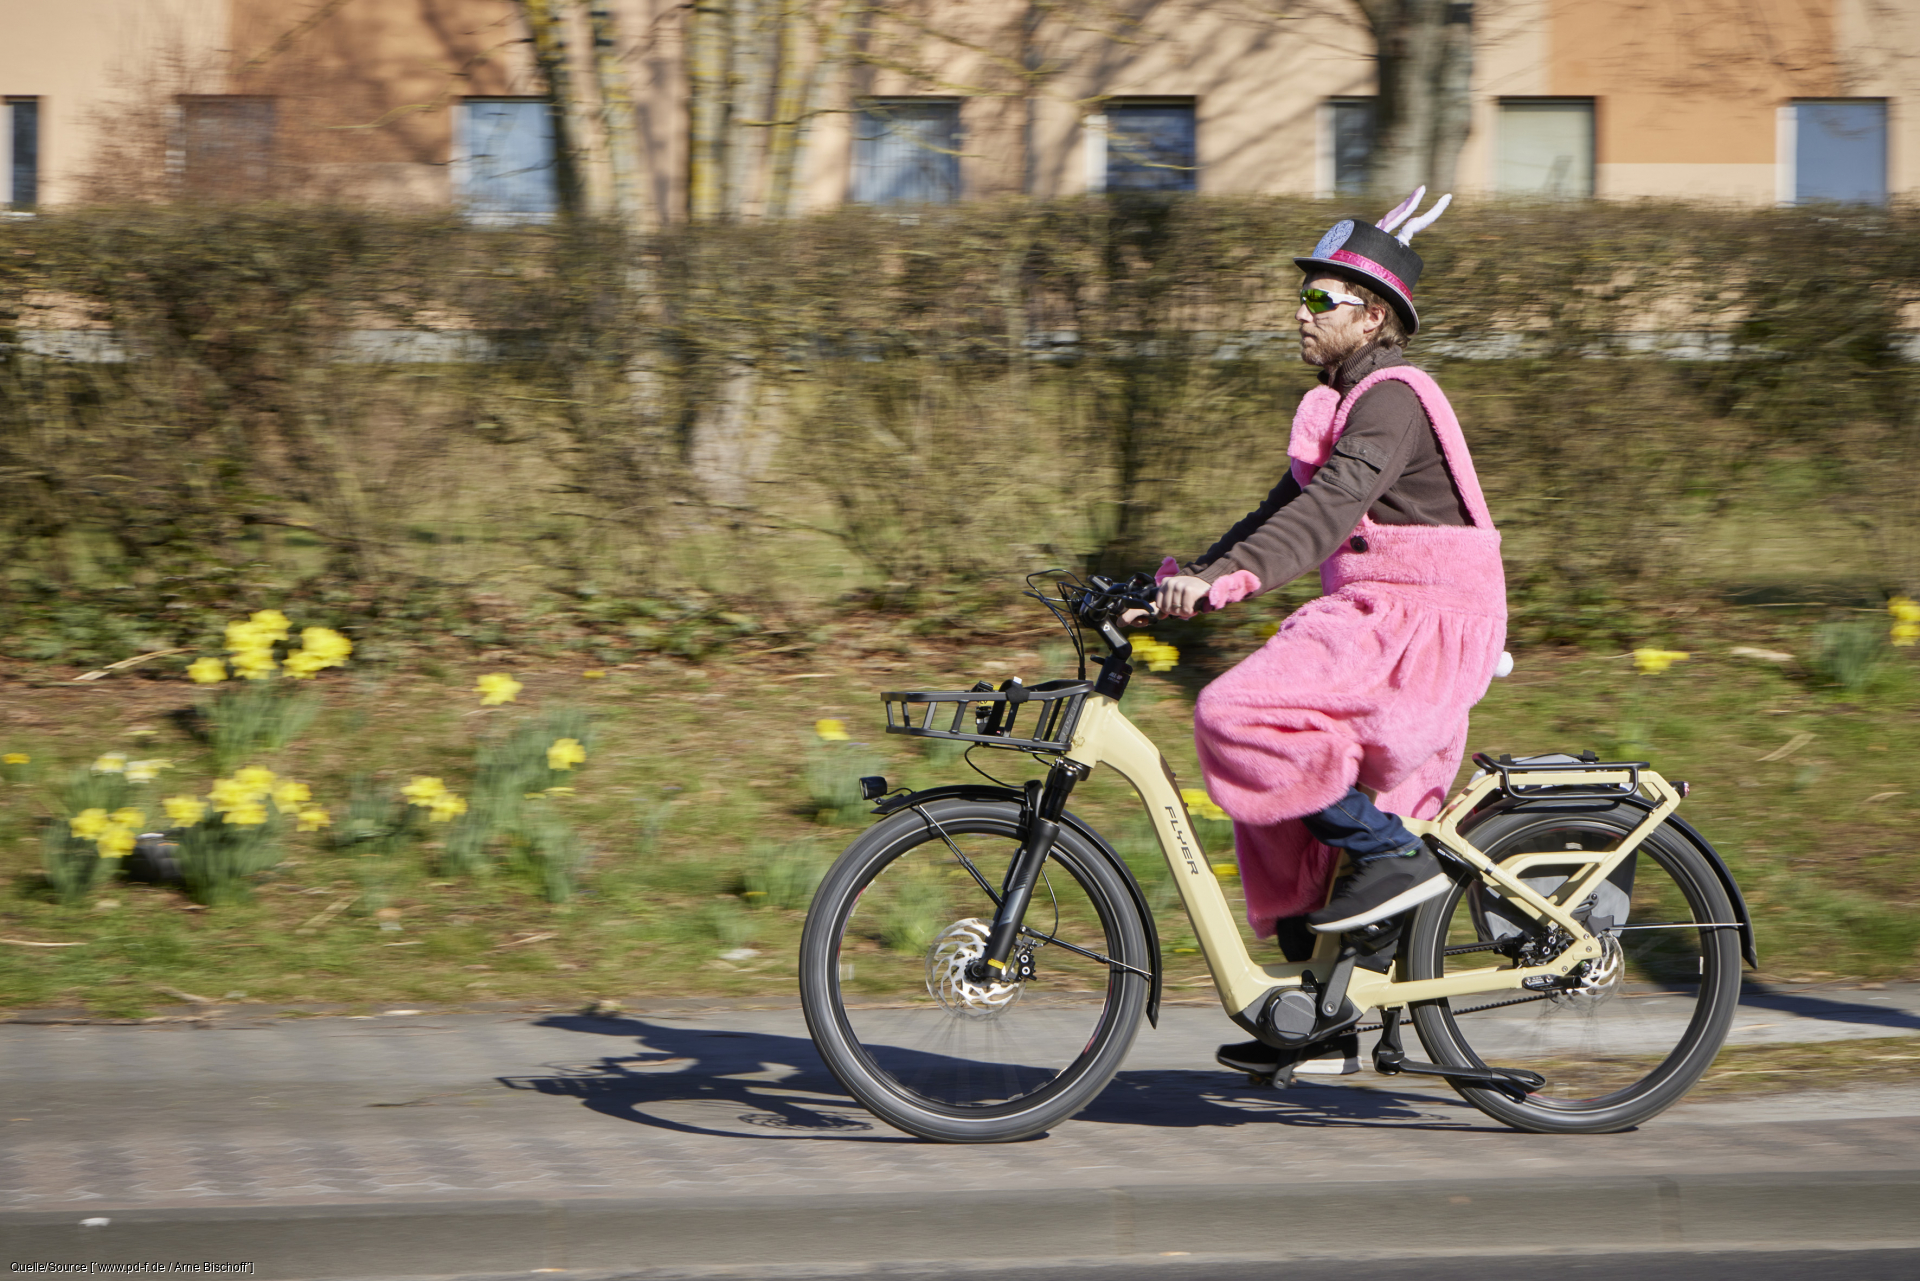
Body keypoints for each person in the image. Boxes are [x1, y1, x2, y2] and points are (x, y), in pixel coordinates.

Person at [1147, 190, 1507, 1079]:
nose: (1299, 314)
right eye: (1300, 296)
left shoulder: (1394, 399)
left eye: (1319, 299)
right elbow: (1280, 510)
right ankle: (1328, 1017)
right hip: (1374, 609)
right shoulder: (1346, 402)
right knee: (1292, 797)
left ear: (1372, 314)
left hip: (1418, 617)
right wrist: (1172, 577)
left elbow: (1326, 514)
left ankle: (1389, 855)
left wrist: (1224, 583)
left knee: (1238, 711)